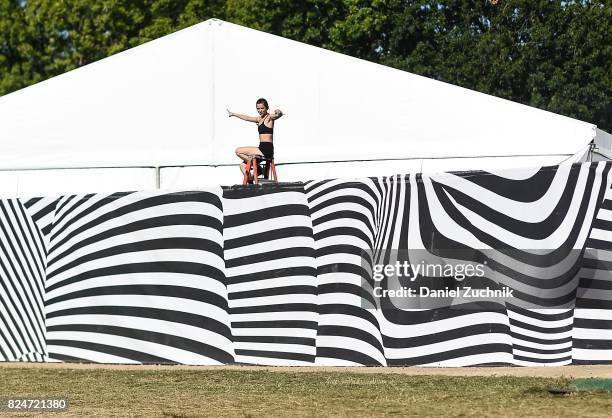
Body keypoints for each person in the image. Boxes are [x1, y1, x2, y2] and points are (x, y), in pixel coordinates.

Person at [227, 98, 283, 178]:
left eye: (262, 108)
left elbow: (278, 115)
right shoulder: (259, 119)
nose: (260, 110)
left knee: (238, 151)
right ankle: (251, 183)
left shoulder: (269, 118)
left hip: (266, 149)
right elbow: (247, 118)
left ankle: (258, 168)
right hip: (260, 149)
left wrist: (278, 111)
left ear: (267, 108)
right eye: (258, 108)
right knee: (242, 166)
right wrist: (233, 114)